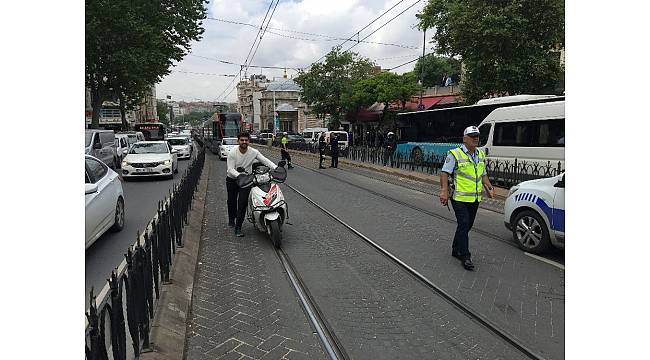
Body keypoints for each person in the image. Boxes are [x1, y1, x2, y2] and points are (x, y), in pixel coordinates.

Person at [439, 126, 495, 271]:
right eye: (472, 136)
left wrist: (489, 187)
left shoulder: (480, 154)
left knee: (467, 225)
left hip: (474, 198)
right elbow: (445, 173)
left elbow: (483, 174)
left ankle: (455, 248)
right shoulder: (455, 154)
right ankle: (465, 256)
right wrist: (444, 191)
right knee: (464, 223)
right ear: (465, 139)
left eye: (477, 136)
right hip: (459, 197)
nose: (475, 138)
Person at [226, 132, 278, 237]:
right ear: (238, 141)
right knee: (231, 201)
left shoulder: (254, 152)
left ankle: (238, 228)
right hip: (232, 179)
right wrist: (239, 175)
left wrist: (276, 168)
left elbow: (265, 160)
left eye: (246, 140)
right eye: (242, 140)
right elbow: (230, 169)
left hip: (246, 180)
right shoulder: (232, 153)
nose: (244, 142)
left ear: (249, 141)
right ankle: (232, 218)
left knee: (242, 203)